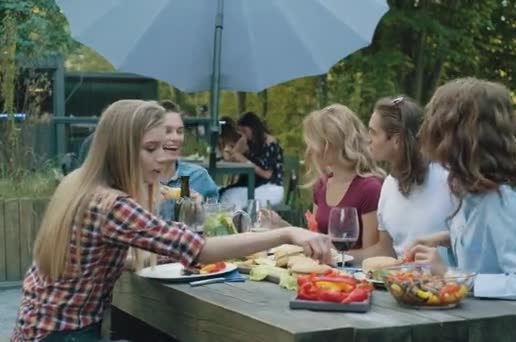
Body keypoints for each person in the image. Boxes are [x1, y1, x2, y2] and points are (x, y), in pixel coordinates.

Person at [12, 100, 332, 341]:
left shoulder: (80, 182)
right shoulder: (113, 203)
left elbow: (87, 254)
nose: (164, 155)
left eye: (174, 137)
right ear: (122, 150)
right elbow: (199, 247)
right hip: (67, 331)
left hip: (39, 323)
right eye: (152, 148)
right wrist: (287, 233)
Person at [404, 78, 516, 303]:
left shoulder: (505, 200)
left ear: (458, 137)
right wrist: (446, 238)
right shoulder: (476, 189)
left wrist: (449, 275)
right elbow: (490, 241)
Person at [348, 95, 456, 261]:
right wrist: (337, 257)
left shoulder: (449, 179)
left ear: (396, 140)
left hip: (448, 284)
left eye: (373, 132)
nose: (367, 139)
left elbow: (470, 240)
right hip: (401, 283)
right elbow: (385, 251)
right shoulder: (388, 185)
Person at [303, 104, 385, 249]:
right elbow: (315, 237)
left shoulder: (369, 188)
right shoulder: (321, 185)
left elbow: (371, 254)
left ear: (334, 144)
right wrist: (283, 228)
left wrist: (334, 258)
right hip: (323, 270)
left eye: (316, 143)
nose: (311, 150)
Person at [157, 100, 218, 219]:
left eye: (180, 131)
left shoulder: (199, 177)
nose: (176, 138)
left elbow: (217, 225)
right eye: (167, 131)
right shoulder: (136, 179)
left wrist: (201, 212)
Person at [221, 112, 285, 208]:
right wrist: (237, 145)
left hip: (270, 188)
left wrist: (245, 161)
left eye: (245, 131)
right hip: (253, 186)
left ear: (254, 128)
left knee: (231, 197)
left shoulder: (270, 144)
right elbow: (231, 158)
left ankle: (237, 221)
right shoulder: (250, 141)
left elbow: (267, 175)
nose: (243, 135)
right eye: (240, 132)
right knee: (223, 193)